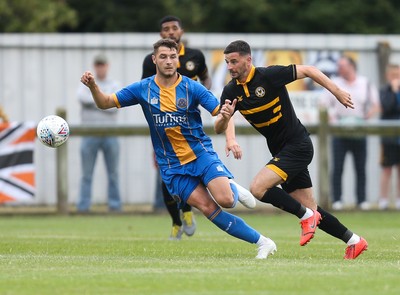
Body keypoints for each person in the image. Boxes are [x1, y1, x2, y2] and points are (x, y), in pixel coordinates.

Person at [80, 38, 275, 259]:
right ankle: (263, 242)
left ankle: (232, 189)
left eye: (173, 57)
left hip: (200, 154)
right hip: (171, 167)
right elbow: (105, 103)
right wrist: (93, 87)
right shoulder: (143, 88)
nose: (169, 61)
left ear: (177, 60)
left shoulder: (192, 88)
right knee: (208, 208)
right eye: (163, 57)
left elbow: (221, 118)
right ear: (154, 59)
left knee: (227, 200)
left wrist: (229, 133)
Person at [214, 40, 368, 259]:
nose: (230, 66)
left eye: (234, 61)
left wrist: (337, 91)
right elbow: (221, 125)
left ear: (248, 60)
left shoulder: (268, 76)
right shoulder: (231, 90)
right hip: (281, 151)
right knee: (312, 208)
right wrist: (229, 132)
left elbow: (310, 70)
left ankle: (306, 217)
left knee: (258, 188)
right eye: (227, 62)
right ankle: (354, 241)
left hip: (298, 145)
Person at [142, 15, 211, 240]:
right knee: (166, 175)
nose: (171, 32)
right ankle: (175, 221)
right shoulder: (151, 61)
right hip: (164, 127)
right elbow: (144, 91)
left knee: (195, 169)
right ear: (161, 35)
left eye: (174, 28)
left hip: (190, 127)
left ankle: (188, 209)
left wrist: (203, 96)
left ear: (181, 31)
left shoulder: (195, 56)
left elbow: (206, 80)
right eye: (166, 29)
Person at [321, 56, 380, 211]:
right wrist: (333, 119)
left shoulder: (365, 83)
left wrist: (366, 117)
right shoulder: (335, 84)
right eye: (338, 66)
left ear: (352, 66)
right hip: (340, 129)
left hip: (360, 129)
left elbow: (376, 105)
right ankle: (337, 200)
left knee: (360, 166)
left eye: (342, 65)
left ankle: (362, 200)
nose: (339, 68)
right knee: (338, 166)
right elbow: (324, 104)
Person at [77, 53, 122, 213]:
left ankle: (115, 207)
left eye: (103, 65)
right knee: (86, 174)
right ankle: (83, 207)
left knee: (113, 173)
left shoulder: (115, 84)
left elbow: (114, 104)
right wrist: (103, 100)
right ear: (95, 67)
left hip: (110, 133)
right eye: (98, 65)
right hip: (89, 134)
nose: (100, 67)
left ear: (107, 66)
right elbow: (83, 99)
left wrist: (100, 100)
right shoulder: (85, 83)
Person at [378, 64, 400, 210]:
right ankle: (383, 200)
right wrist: (394, 91)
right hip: (388, 137)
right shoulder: (384, 91)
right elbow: (387, 108)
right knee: (387, 169)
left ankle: (398, 200)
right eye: (393, 75)